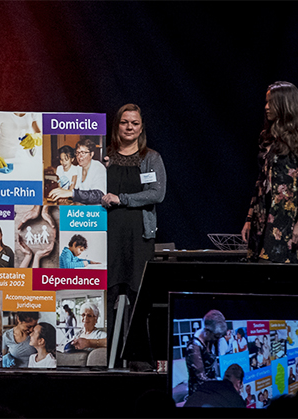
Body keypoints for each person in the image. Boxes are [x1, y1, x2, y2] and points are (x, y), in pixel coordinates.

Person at [101, 104, 166, 357]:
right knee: (106, 296)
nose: (129, 127)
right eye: (124, 122)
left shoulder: (151, 158)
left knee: (138, 298)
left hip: (139, 237)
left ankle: (137, 358)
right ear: (117, 126)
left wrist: (123, 199)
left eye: (135, 123)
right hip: (107, 237)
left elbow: (157, 194)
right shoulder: (104, 157)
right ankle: (104, 357)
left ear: (141, 128)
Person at [241, 81, 298, 263]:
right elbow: (260, 181)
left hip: (284, 218)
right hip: (262, 213)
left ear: (284, 104)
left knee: (277, 266)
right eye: (266, 102)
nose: (266, 107)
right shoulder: (266, 137)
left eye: (271, 102)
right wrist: (250, 218)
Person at [48, 138, 107, 204]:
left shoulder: (98, 167)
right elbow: (73, 191)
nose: (79, 156)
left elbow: (99, 196)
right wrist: (65, 196)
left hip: (95, 211)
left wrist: (72, 193)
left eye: (83, 153)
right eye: (77, 153)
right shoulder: (78, 168)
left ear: (91, 154)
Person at [185, 310, 227, 398]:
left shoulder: (209, 340)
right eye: (216, 336)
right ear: (207, 331)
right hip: (199, 394)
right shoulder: (194, 347)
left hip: (211, 390)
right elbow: (201, 378)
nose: (217, 339)